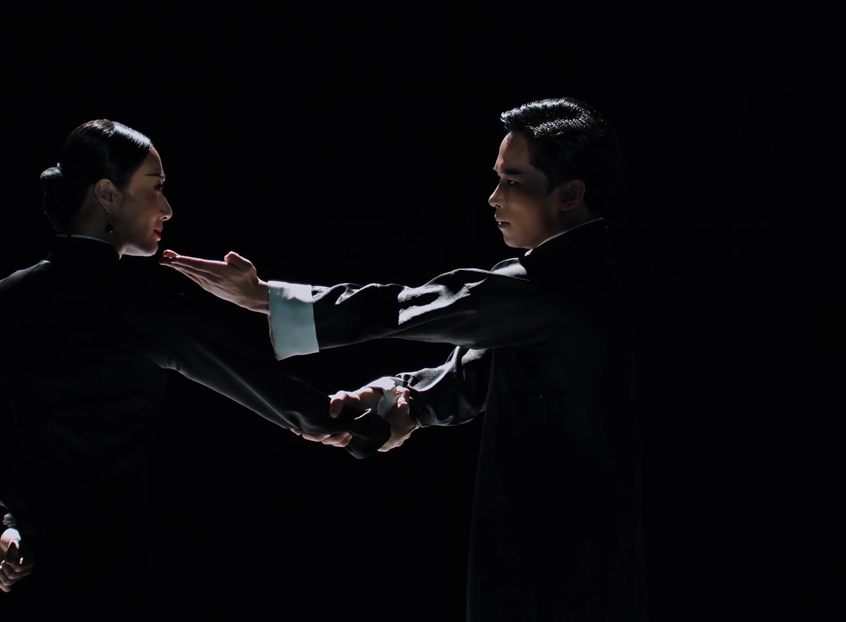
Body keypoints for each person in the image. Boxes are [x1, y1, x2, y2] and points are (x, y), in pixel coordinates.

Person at [162, 97, 648, 620]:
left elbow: (407, 307)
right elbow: (477, 373)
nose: (493, 198)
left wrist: (266, 298)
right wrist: (403, 399)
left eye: (512, 181)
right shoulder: (593, 273)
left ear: (570, 193)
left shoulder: (560, 283)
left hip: (563, 550)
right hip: (571, 541)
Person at [0, 119, 394, 619]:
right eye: (155, 187)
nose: (167, 208)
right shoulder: (137, 305)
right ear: (107, 194)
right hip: (128, 575)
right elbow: (253, 379)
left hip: (28, 570)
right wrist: (347, 424)